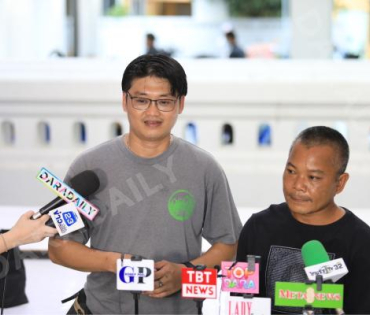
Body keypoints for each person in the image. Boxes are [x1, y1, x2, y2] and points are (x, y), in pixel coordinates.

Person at [48, 54, 242, 314]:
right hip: (99, 309)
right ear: (125, 101)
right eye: (141, 101)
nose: (152, 112)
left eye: (164, 102)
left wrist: (185, 273)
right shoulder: (88, 167)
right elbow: (59, 248)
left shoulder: (204, 168)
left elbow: (229, 246)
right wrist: (119, 263)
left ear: (180, 104)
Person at [237, 126, 370, 314]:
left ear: (340, 183)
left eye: (313, 177)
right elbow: (238, 299)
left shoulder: (362, 242)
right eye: (291, 171)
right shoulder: (257, 227)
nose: (298, 185)